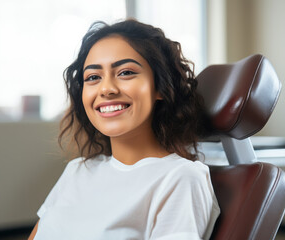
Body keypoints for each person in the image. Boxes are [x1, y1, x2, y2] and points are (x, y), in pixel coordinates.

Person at [29, 19, 220, 240]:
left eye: (126, 72)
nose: (107, 89)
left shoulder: (181, 178)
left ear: (160, 86)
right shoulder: (77, 170)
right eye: (93, 77)